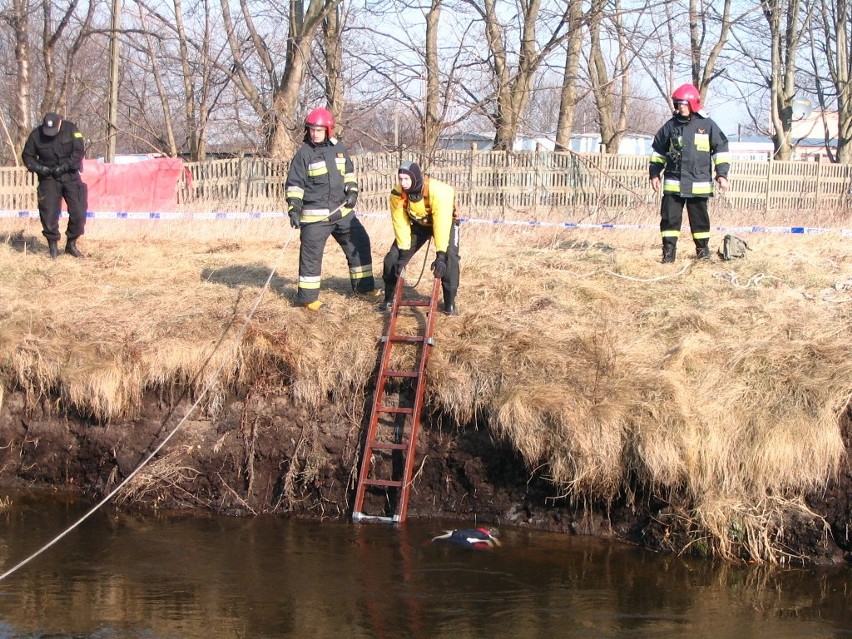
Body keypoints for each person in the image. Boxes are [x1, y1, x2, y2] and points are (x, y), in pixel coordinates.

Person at [285, 107, 380, 311]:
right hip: (315, 218)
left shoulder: (339, 148)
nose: (314, 133)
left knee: (360, 243)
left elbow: (349, 173)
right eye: (311, 129)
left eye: (318, 130)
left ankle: (363, 288)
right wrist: (294, 208)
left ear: (328, 130)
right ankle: (308, 299)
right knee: (311, 257)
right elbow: (295, 185)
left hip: (342, 212)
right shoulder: (303, 155)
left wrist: (352, 192)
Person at [649, 83, 730, 263]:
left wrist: (722, 175)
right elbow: (658, 152)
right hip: (673, 184)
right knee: (669, 220)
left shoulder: (707, 125)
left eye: (684, 104)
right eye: (678, 104)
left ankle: (702, 253)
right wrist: (655, 174)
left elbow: (721, 150)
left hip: (699, 184)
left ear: (693, 104)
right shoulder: (670, 126)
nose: (681, 107)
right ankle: (668, 254)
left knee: (700, 221)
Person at [381, 161, 460, 315]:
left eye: (407, 179)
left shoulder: (440, 192)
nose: (403, 183)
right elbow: (400, 223)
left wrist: (440, 255)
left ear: (415, 178)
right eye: (400, 179)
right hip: (419, 224)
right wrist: (403, 253)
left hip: (446, 222)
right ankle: (388, 299)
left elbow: (442, 222)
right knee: (393, 257)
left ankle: (450, 304)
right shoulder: (397, 195)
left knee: (450, 259)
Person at [21, 112, 88, 258]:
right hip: (48, 177)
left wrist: (64, 167)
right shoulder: (36, 134)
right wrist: (39, 168)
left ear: (60, 123)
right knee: (48, 213)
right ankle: (53, 248)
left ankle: (71, 244)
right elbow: (27, 155)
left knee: (79, 211)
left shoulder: (72, 129)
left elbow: (79, 152)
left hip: (70, 175)